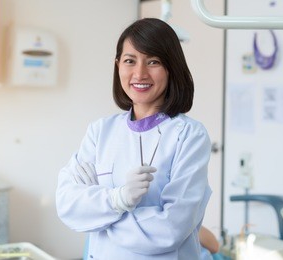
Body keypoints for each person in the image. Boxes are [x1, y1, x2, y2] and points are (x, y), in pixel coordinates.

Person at [56, 18, 212, 259]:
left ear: (172, 67)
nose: (140, 73)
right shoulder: (100, 132)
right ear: (118, 65)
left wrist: (100, 216)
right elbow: (68, 206)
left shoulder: (189, 136)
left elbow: (170, 229)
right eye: (130, 61)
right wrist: (117, 199)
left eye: (153, 62)